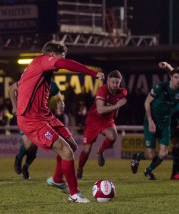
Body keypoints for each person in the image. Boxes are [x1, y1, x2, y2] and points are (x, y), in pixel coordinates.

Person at [16, 40, 104, 203]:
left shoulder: (39, 69)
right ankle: (74, 194)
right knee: (66, 151)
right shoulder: (42, 61)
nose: (60, 63)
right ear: (51, 55)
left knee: (71, 145)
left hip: (44, 114)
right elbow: (65, 63)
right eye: (59, 58)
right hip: (31, 119)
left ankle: (57, 179)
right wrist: (92, 73)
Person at [131, 67, 179, 180]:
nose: (178, 80)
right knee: (151, 154)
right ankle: (138, 156)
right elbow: (147, 103)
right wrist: (151, 121)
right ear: (171, 77)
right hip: (151, 121)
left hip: (165, 123)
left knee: (163, 153)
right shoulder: (160, 87)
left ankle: (148, 170)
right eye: (176, 77)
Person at [77, 70, 127, 179]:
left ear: (120, 82)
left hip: (107, 121)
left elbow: (117, 103)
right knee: (87, 149)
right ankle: (80, 169)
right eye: (112, 82)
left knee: (113, 136)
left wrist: (115, 112)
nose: (114, 85)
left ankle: (100, 150)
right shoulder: (102, 90)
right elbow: (100, 110)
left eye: (117, 83)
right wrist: (117, 106)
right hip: (93, 120)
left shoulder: (122, 92)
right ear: (108, 81)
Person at [9, 81, 63, 179]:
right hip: (25, 116)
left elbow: (59, 98)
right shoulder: (31, 79)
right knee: (29, 144)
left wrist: (60, 104)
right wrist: (14, 106)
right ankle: (18, 158)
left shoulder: (52, 85)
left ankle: (26, 167)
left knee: (34, 147)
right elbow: (12, 88)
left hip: (39, 119)